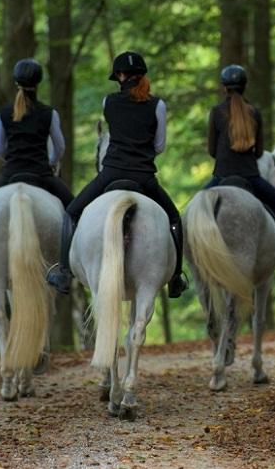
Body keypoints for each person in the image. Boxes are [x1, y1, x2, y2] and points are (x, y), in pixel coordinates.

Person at [47, 51, 187, 298]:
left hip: (110, 174)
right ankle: (176, 277)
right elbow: (159, 146)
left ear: (120, 76)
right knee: (175, 219)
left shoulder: (108, 102)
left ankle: (64, 272)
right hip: (144, 177)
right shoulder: (158, 105)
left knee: (70, 213)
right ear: (142, 75)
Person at [206, 64, 275, 270]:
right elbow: (258, 153)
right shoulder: (254, 113)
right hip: (250, 177)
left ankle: (190, 259)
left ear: (224, 88)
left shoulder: (216, 112)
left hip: (221, 177)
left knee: (192, 212)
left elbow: (212, 151)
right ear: (244, 87)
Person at [0, 58, 74, 207]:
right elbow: (59, 148)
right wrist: (51, 163)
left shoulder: (4, 114)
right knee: (75, 209)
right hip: (41, 173)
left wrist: (12, 159)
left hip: (11, 172)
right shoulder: (49, 113)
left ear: (16, 83)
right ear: (38, 82)